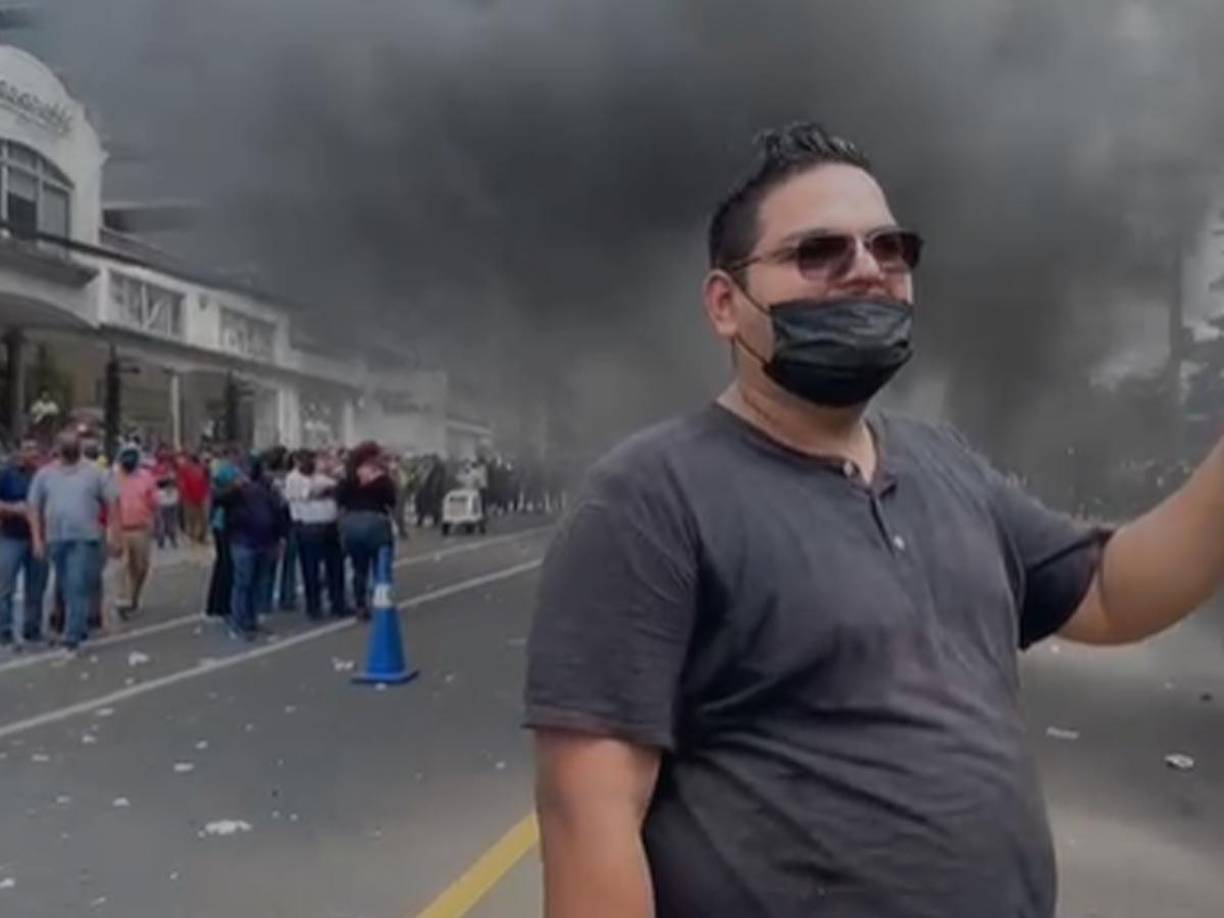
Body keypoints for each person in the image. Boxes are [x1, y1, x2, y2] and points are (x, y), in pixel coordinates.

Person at [525, 123, 1224, 918]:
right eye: (817, 252)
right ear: (726, 304)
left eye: (890, 249)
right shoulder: (648, 500)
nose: (867, 269)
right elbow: (590, 819)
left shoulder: (948, 467)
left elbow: (1109, 593)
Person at [27, 431, 110, 651]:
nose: (69, 449)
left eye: (73, 445)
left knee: (76, 582)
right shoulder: (45, 474)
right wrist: (37, 538)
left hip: (85, 537)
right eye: (66, 446)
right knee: (65, 585)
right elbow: (34, 507)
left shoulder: (94, 472)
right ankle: (79, 626)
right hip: (56, 538)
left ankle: (72, 633)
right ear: (58, 449)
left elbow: (112, 501)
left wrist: (114, 533)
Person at [214, 456, 286, 640]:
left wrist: (280, 538)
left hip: (265, 541)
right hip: (243, 541)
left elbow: (278, 512)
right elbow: (217, 499)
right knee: (243, 583)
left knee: (257, 583)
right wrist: (235, 487)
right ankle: (239, 623)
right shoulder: (236, 492)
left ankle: (251, 620)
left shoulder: (266, 490)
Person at [335, 441, 396, 621]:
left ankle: (360, 603)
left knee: (359, 567)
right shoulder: (381, 478)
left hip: (352, 523)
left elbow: (340, 499)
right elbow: (391, 500)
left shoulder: (348, 477)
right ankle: (381, 601)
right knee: (381, 566)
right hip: (376, 521)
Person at [284, 449, 346, 620]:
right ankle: (314, 607)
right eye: (305, 460)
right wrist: (323, 492)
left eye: (312, 459)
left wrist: (328, 488)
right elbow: (309, 494)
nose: (310, 463)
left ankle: (338, 603)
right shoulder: (293, 478)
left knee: (335, 566)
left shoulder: (320, 476)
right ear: (297, 461)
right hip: (308, 526)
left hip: (329, 524)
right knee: (311, 569)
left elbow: (337, 489)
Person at [0, 439, 47, 646]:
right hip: (12, 536)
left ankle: (33, 628)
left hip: (40, 537)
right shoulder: (7, 474)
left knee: (36, 586)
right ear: (20, 452)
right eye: (28, 449)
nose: (32, 453)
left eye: (35, 449)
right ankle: (4, 629)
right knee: (5, 586)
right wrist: (14, 509)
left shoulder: (45, 475)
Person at [109, 444, 159, 619]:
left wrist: (156, 524)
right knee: (121, 566)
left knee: (141, 567)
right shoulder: (112, 477)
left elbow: (154, 503)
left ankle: (134, 595)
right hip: (119, 527)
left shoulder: (146, 477)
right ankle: (122, 600)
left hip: (141, 528)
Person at [203, 459, 240, 619]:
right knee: (226, 566)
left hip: (223, 527)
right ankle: (220, 605)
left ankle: (219, 605)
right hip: (224, 528)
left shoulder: (220, 492)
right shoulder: (224, 494)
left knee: (224, 566)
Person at [178, 452, 210, 545]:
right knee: (192, 519)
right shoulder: (185, 468)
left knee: (203, 518)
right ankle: (193, 537)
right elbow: (182, 482)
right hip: (190, 497)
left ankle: (202, 536)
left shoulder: (204, 468)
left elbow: (208, 480)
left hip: (202, 496)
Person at [152, 449, 180, 550]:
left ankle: (164, 539)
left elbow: (154, 482)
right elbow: (173, 479)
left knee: (163, 519)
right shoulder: (168, 468)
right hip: (168, 495)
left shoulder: (156, 468)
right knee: (169, 519)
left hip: (163, 495)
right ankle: (170, 539)